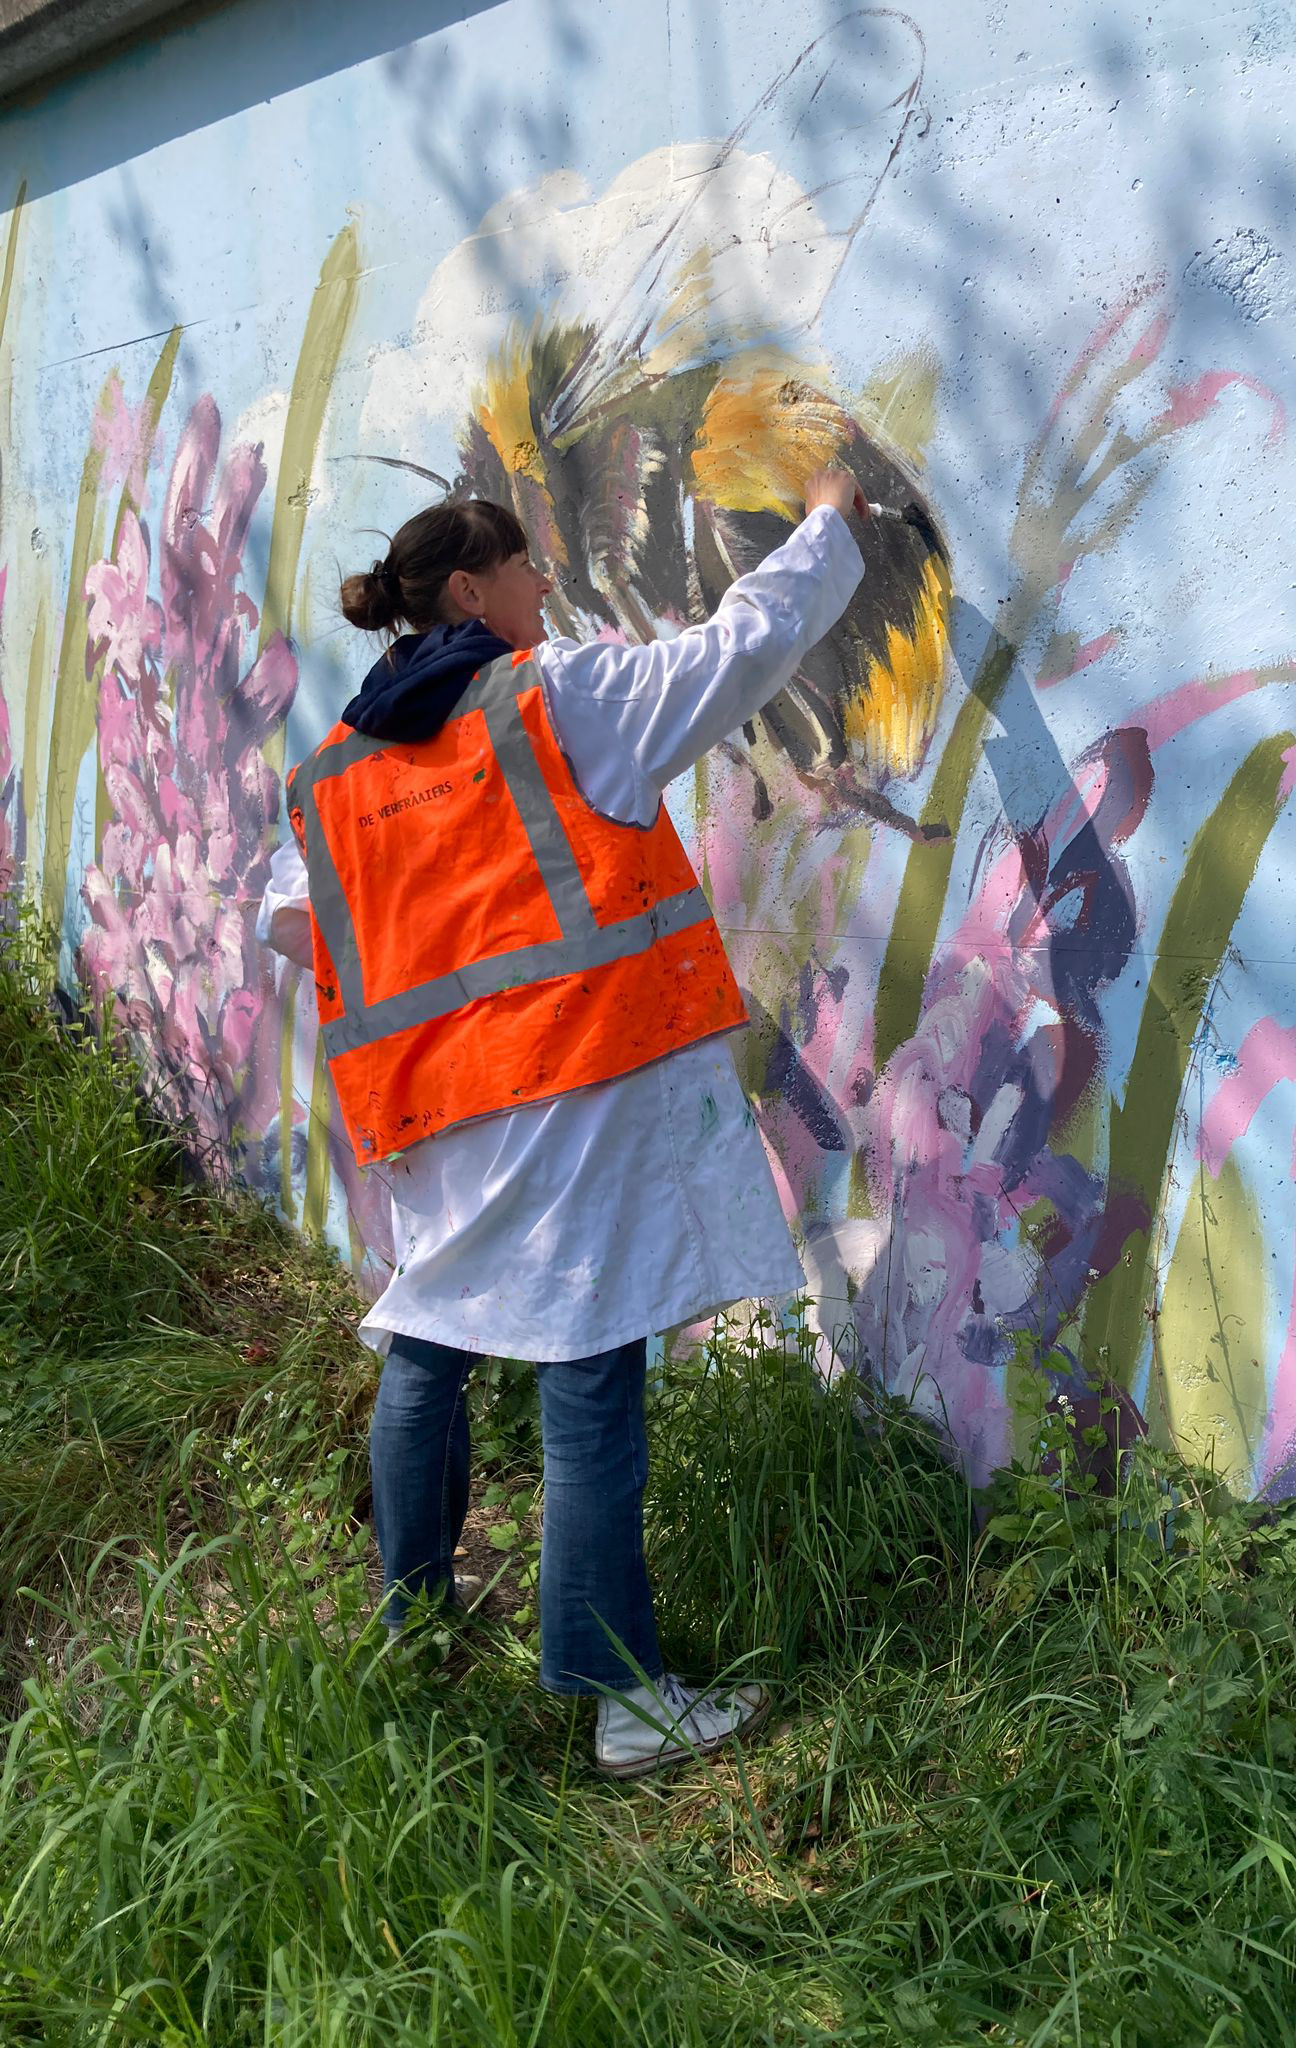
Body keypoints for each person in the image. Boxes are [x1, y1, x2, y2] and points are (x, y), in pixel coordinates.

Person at [257, 466, 867, 1777]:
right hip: (571, 1085)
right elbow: (735, 651)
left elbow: (292, 923)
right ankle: (622, 1699)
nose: (546, 584)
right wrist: (825, 522)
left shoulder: (338, 771)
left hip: (434, 1111)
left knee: (429, 1340)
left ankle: (412, 1624)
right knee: (590, 1375)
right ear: (470, 591)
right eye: (527, 566)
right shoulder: (557, 697)